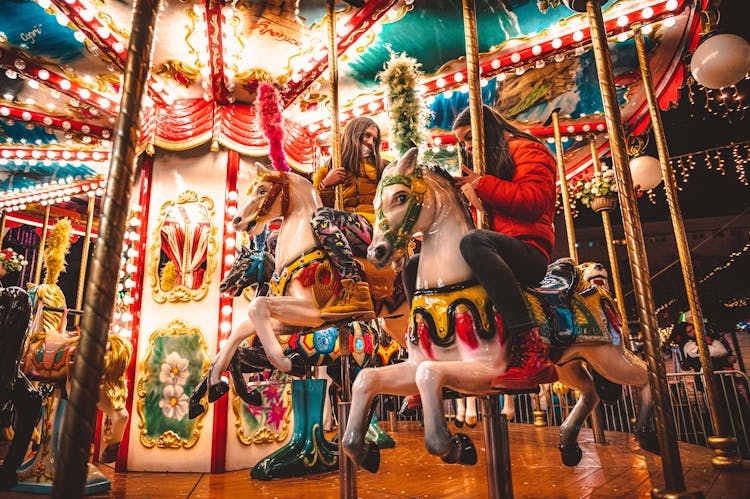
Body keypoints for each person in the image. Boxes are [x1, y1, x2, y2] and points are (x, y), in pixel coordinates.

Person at [403, 105, 558, 390]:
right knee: (414, 263)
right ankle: (423, 347)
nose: (468, 146)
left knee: (473, 242)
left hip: (527, 251)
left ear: (488, 129)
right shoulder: (485, 169)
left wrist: (483, 184)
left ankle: (530, 347)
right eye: (463, 142)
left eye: (470, 137)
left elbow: (533, 199)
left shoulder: (527, 150)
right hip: (491, 252)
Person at [311, 116, 387, 320]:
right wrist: (326, 185)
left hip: (373, 225)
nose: (371, 142)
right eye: (367, 136)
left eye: (374, 139)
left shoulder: (382, 166)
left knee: (321, 217)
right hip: (344, 231)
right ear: (354, 134)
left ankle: (353, 285)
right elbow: (316, 204)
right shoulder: (331, 167)